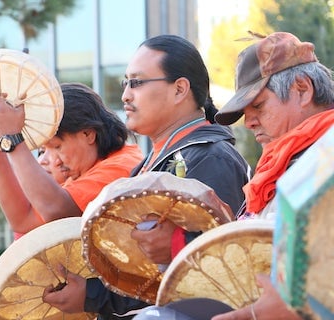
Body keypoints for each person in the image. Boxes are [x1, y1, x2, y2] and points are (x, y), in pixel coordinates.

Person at [42, 34, 251, 319]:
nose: (126, 94)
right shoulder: (151, 164)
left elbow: (215, 277)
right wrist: (90, 292)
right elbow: (145, 273)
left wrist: (93, 296)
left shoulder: (211, 157)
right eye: (125, 82)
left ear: (179, 90)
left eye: (137, 83)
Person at [211, 32, 334, 320]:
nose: (249, 122)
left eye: (259, 106)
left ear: (302, 90)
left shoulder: (325, 159)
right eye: (244, 112)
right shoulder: (278, 165)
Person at [0, 82, 144, 236]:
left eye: (57, 147)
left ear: (88, 134)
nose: (54, 161)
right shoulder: (82, 172)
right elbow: (22, 220)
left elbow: (56, 212)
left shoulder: (122, 166)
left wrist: (13, 139)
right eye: (44, 150)